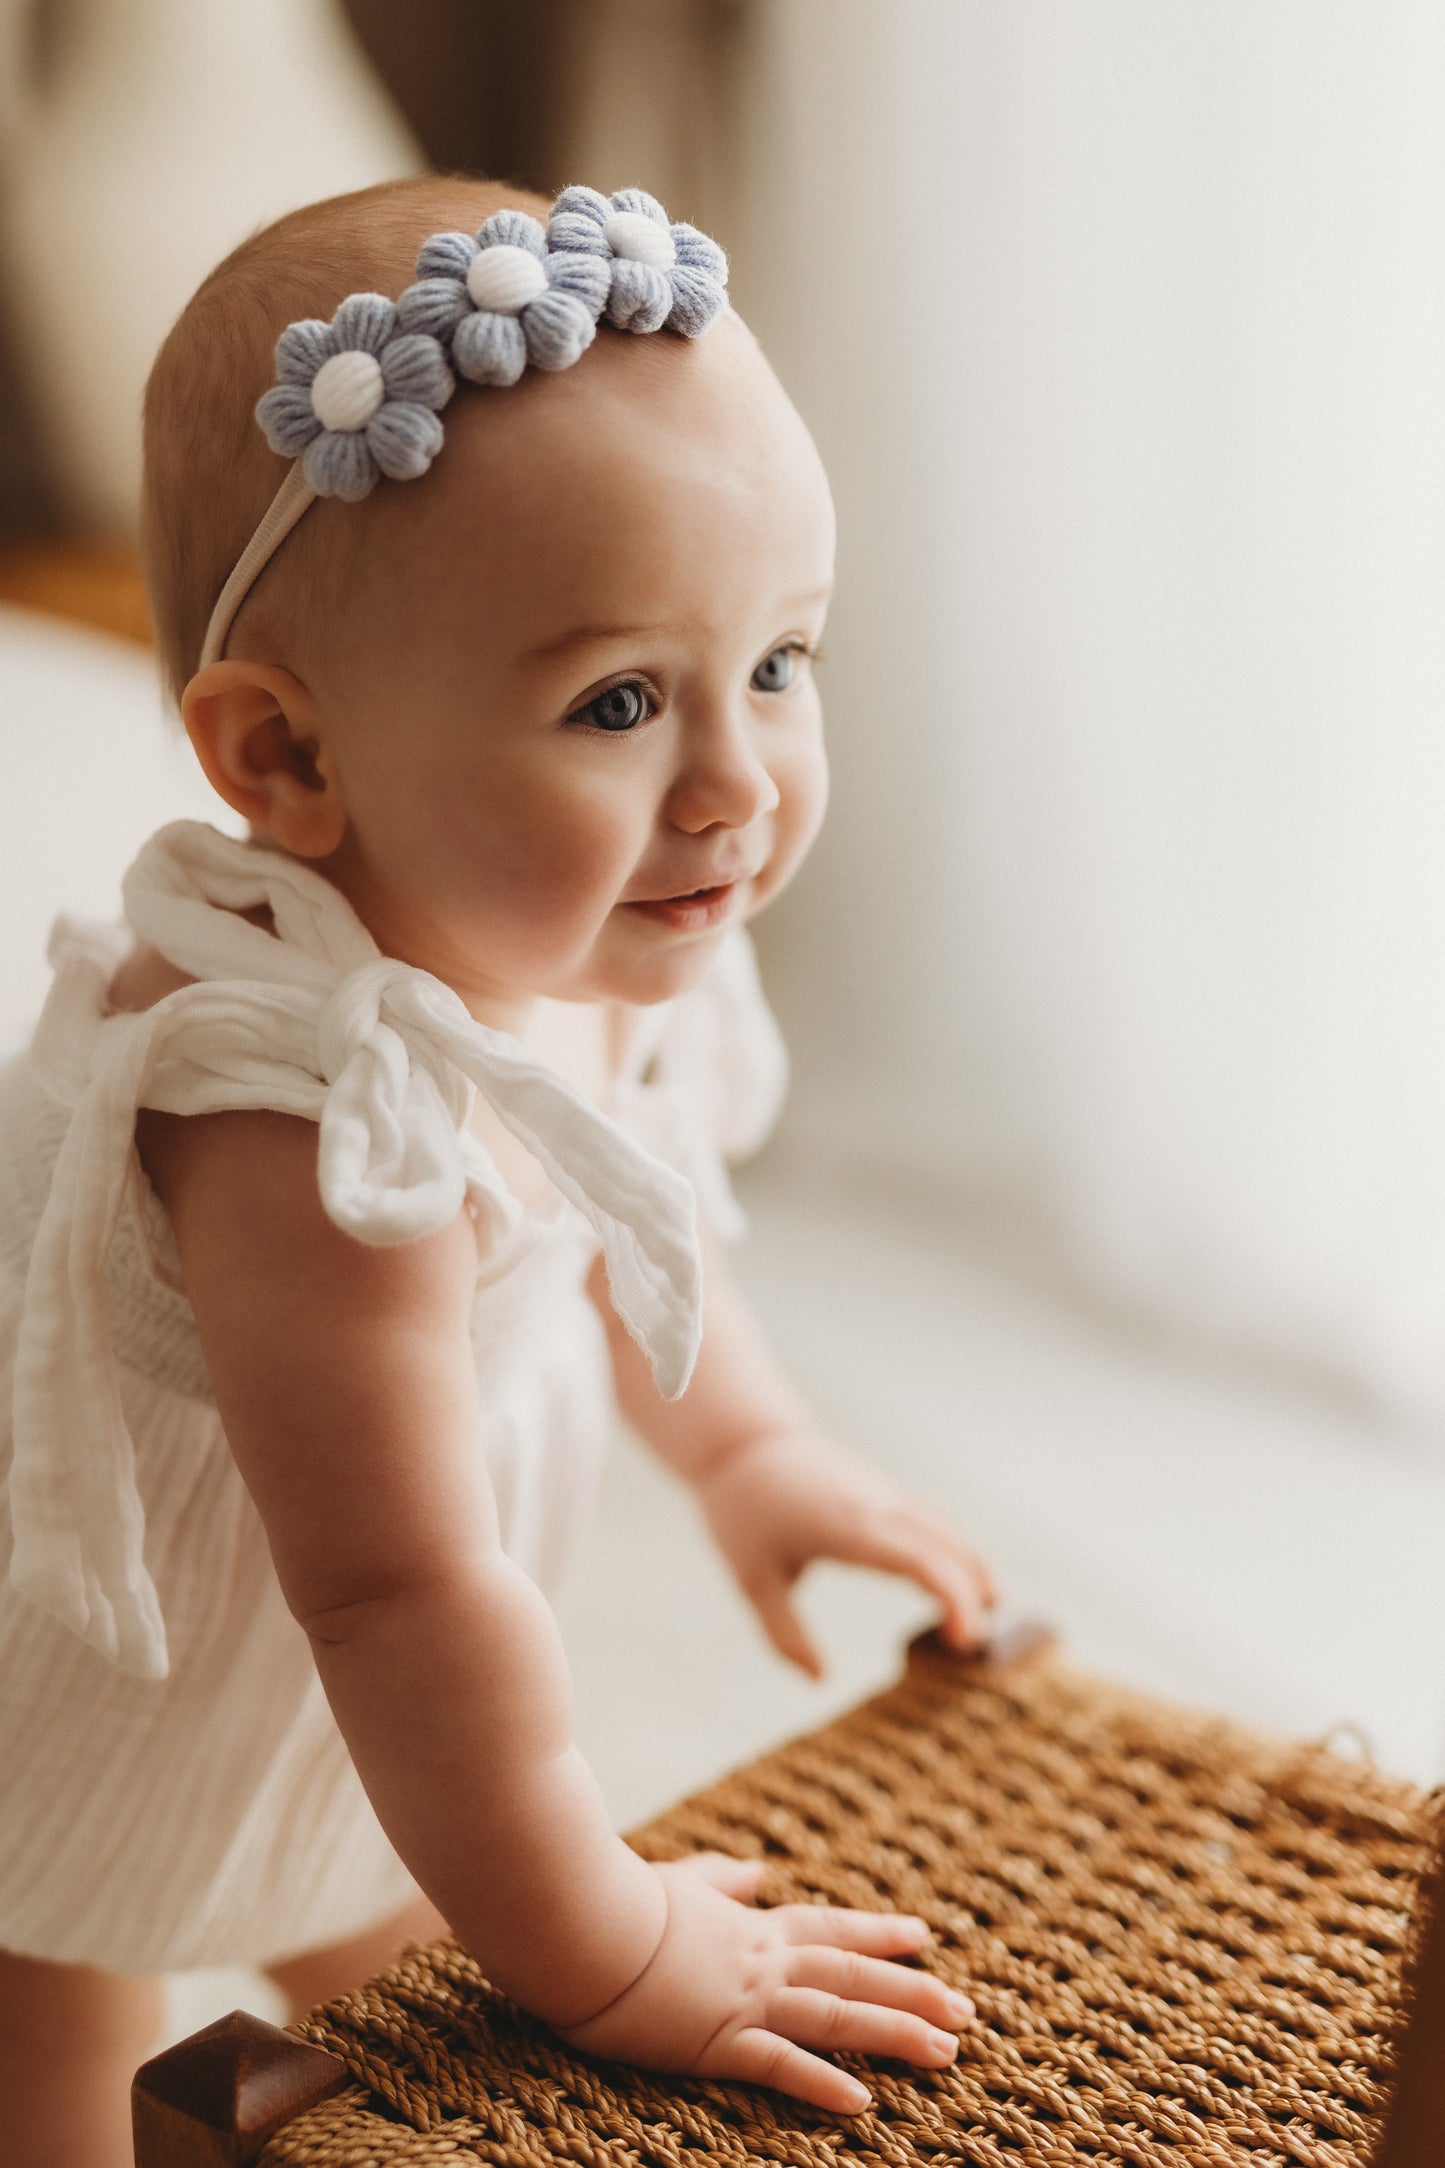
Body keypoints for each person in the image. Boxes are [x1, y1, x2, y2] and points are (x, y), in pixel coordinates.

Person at [0, 175, 996, 2166]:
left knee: (387, 1938)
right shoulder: (296, 1112)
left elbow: (647, 1225)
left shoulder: (584, 919)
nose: (736, 783)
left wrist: (751, 1451)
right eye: (620, 700)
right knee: (59, 2027)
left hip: (341, 1667)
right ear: (285, 760)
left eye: (782, 661)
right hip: (112, 1647)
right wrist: (612, 1950)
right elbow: (393, 1586)